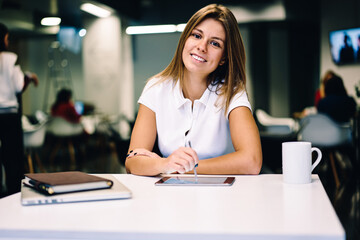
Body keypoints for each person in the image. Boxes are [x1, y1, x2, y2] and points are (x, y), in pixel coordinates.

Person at [125, 4, 262, 176]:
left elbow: (252, 161)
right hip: (171, 196)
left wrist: (182, 168)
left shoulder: (232, 92)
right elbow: (133, 161)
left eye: (214, 43)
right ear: (185, 40)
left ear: (223, 58)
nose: (202, 47)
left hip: (223, 197)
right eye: (197, 35)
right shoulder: (156, 88)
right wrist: (164, 163)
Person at [0, 22, 38, 195]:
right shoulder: (10, 58)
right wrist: (28, 78)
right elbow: (18, 86)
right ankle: (14, 194)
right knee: (12, 158)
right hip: (9, 116)